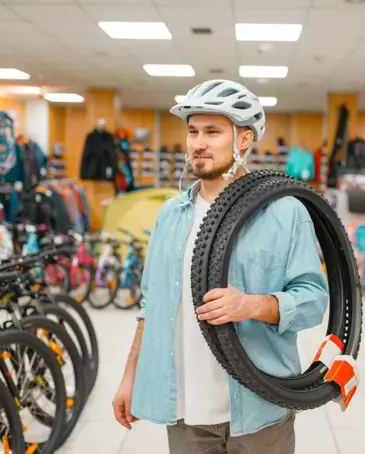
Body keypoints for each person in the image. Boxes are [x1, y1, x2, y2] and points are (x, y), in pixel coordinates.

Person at [112, 79, 329, 454]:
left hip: (258, 408)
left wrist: (252, 305)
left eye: (212, 131)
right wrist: (131, 374)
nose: (197, 143)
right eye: (193, 131)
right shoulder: (170, 214)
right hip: (185, 413)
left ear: (244, 139)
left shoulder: (285, 211)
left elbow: (312, 300)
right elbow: (152, 304)